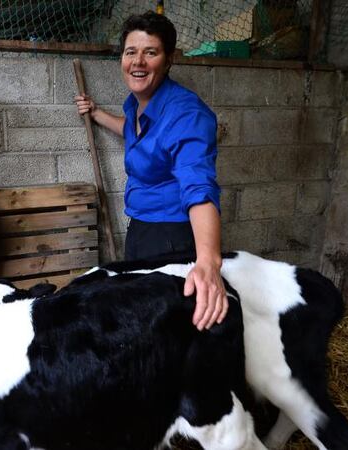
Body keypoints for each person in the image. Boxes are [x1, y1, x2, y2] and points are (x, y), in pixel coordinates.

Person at [74, 12, 228, 331]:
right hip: (141, 227)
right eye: (131, 52)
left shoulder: (187, 115)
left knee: (165, 326)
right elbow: (134, 132)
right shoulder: (137, 104)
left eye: (151, 52)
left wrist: (209, 262)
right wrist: (97, 113)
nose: (138, 61)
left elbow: (198, 188)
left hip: (171, 236)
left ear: (169, 60)